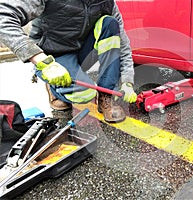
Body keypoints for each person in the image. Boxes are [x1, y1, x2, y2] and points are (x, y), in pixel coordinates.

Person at [0, 0, 137, 123]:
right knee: (84, 94)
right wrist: (42, 61)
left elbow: (122, 43)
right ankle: (54, 88)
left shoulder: (107, 2)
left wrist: (127, 81)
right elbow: (3, 17)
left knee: (110, 23)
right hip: (54, 56)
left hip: (82, 51)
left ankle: (105, 96)